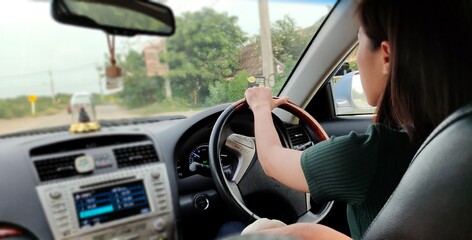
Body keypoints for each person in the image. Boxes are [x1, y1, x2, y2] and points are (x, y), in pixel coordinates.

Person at [237, 0, 472, 239]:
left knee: (260, 229)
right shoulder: (459, 142)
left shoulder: (370, 153)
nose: (357, 59)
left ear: (386, 57)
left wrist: (260, 106)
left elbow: (271, 161)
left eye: (359, 44)